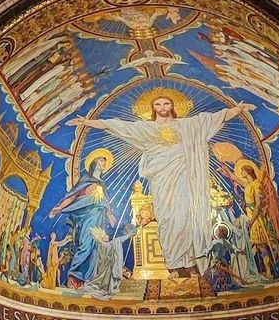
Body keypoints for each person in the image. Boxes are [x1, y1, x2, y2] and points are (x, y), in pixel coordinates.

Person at [67, 95, 254, 278]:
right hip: (162, 179)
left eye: (166, 103)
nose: (162, 107)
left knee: (187, 217)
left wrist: (237, 110)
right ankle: (173, 264)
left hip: (185, 177)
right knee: (168, 219)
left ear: (172, 106)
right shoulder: (147, 128)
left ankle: (189, 263)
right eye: (158, 104)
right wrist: (88, 122)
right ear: (153, 108)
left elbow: (214, 118)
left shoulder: (188, 125)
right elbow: (119, 126)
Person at [49, 151, 116, 288]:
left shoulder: (102, 184)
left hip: (99, 218)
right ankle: (74, 278)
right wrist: (59, 207)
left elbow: (105, 201)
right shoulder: (85, 180)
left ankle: (89, 281)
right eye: (101, 161)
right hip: (86, 217)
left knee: (96, 248)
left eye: (105, 161)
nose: (104, 163)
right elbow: (72, 196)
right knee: (85, 245)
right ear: (95, 162)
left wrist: (110, 215)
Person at [83, 224, 138, 300]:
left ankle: (108, 288)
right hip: (105, 269)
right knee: (106, 280)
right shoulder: (103, 244)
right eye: (104, 235)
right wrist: (128, 236)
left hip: (107, 267)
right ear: (101, 237)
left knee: (109, 280)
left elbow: (115, 242)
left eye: (105, 235)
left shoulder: (104, 244)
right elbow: (117, 241)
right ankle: (106, 289)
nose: (106, 236)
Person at [199, 225, 242, 292]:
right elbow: (234, 249)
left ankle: (217, 287)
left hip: (221, 263)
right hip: (218, 263)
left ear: (219, 233)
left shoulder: (217, 242)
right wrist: (238, 250)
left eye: (217, 231)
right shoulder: (226, 242)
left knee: (211, 274)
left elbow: (206, 251)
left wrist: (200, 255)